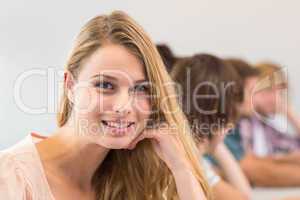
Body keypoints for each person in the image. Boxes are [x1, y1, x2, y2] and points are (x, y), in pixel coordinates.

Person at [0, 11, 209, 199]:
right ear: (71, 86)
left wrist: (182, 168)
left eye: (141, 88)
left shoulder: (131, 179)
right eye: (105, 85)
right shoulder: (12, 178)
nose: (123, 107)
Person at [171, 54, 251, 200]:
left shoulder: (190, 154)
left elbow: (242, 196)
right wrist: (216, 133)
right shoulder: (184, 158)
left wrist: (214, 139)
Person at [224, 58, 300, 187]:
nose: (276, 98)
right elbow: (252, 169)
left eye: (280, 92)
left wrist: (289, 113)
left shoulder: (263, 125)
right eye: (269, 91)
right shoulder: (235, 124)